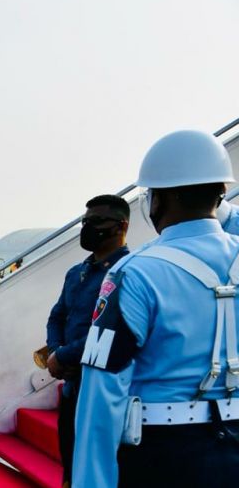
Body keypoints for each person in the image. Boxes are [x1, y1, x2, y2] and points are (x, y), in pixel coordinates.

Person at [73, 130, 239, 487]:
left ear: (160, 198)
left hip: (163, 453)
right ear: (221, 192)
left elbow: (102, 393)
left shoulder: (133, 273)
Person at [45, 194, 130, 487]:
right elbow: (57, 316)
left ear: (121, 226)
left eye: (96, 221)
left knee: (98, 469)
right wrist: (55, 352)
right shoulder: (76, 273)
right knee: (70, 464)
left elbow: (109, 331)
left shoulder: (128, 272)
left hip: (101, 390)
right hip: (72, 386)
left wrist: (63, 356)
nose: (87, 228)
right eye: (85, 221)